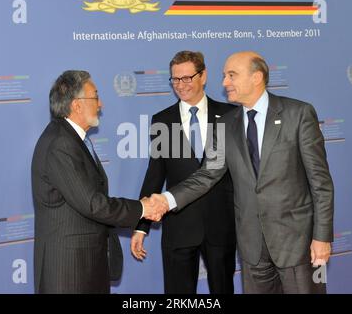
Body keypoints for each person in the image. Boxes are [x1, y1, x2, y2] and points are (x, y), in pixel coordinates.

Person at [150, 51, 334, 294]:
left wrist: (322, 237)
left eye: (231, 75)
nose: (225, 82)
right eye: (225, 75)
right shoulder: (226, 124)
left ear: (256, 77)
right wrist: (167, 199)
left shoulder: (298, 115)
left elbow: (320, 183)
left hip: (296, 244)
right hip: (252, 248)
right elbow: (208, 174)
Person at [31, 70, 167, 294]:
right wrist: (143, 208)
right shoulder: (60, 144)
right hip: (69, 272)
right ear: (77, 105)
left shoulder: (71, 139)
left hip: (85, 266)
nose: (101, 104)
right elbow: (93, 203)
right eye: (95, 97)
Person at [131, 51, 236, 294]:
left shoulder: (231, 116)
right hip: (179, 228)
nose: (181, 85)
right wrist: (141, 226)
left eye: (187, 78)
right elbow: (155, 175)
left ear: (204, 76)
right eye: (175, 80)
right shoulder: (162, 120)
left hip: (221, 226)